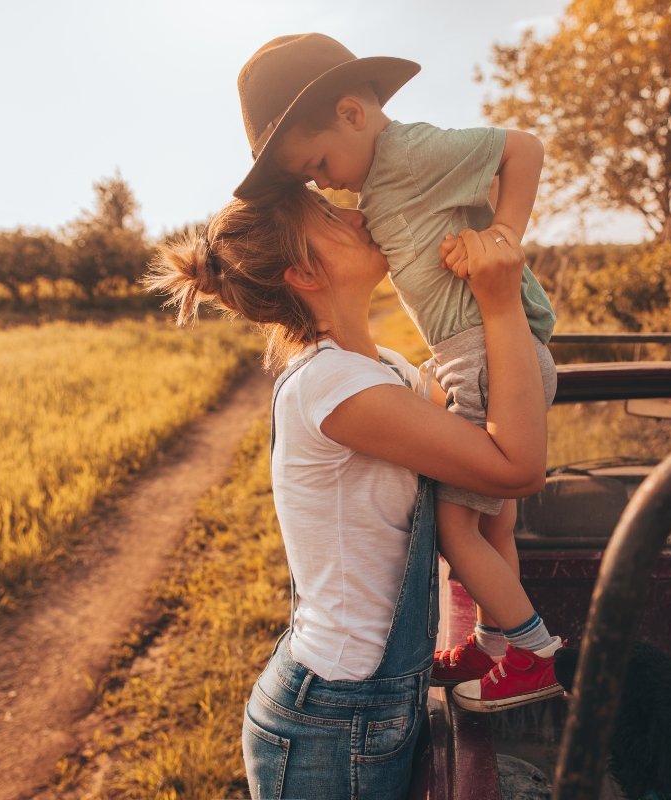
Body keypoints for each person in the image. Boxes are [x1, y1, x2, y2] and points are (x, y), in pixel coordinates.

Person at [143, 182, 547, 799]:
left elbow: (488, 467)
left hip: (366, 697)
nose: (358, 214)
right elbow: (515, 467)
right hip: (332, 716)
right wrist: (499, 306)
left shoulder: (385, 368)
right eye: (330, 217)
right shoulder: (335, 386)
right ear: (304, 272)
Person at [231, 33, 563, 712]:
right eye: (314, 192)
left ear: (352, 114)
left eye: (319, 169)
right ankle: (500, 646)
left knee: (458, 525)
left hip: (484, 352)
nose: (328, 189)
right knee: (490, 525)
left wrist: (503, 235)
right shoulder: (344, 377)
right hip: (479, 354)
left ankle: (527, 652)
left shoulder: (407, 156)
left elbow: (521, 148)